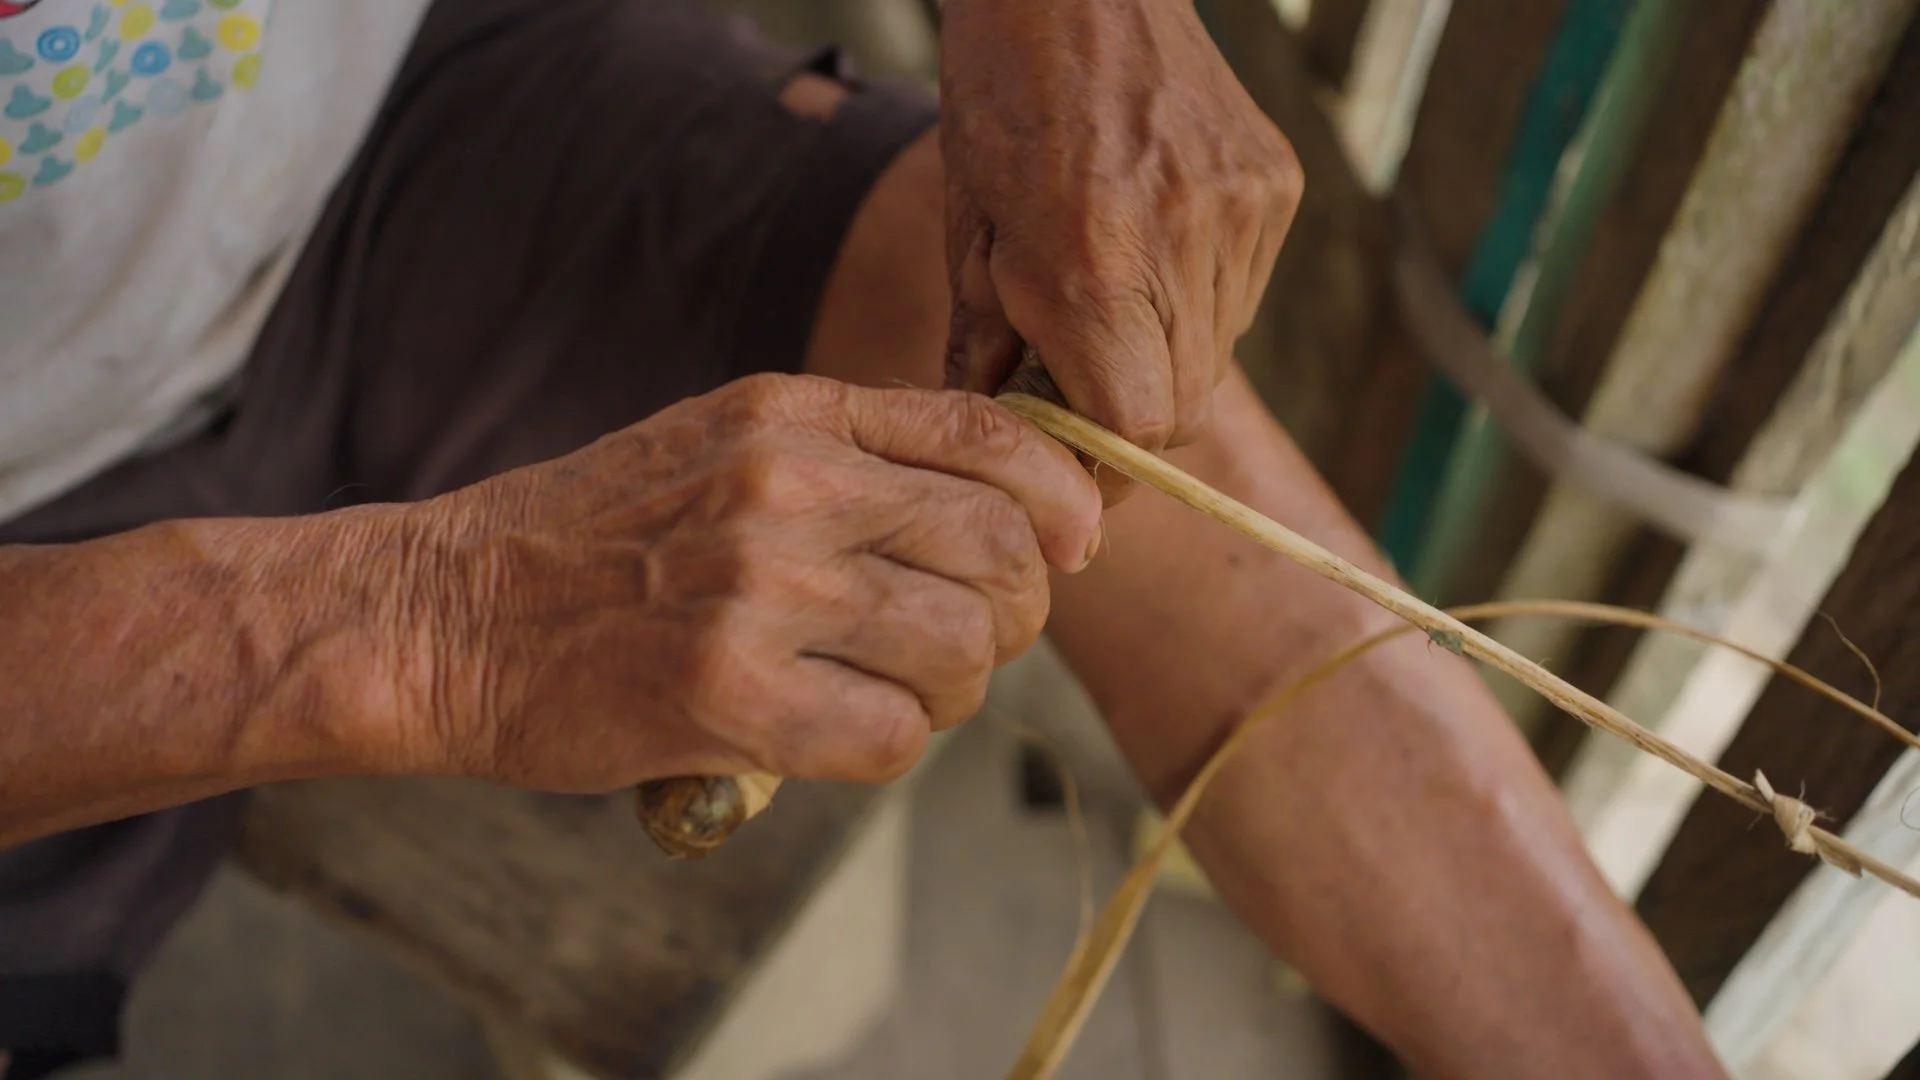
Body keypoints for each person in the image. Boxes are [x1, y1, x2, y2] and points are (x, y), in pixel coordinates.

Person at [0, 0, 1725, 1076]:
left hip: (378, 96)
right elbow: (382, 627)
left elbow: (1276, 665)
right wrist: (410, 626)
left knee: (1166, 501)